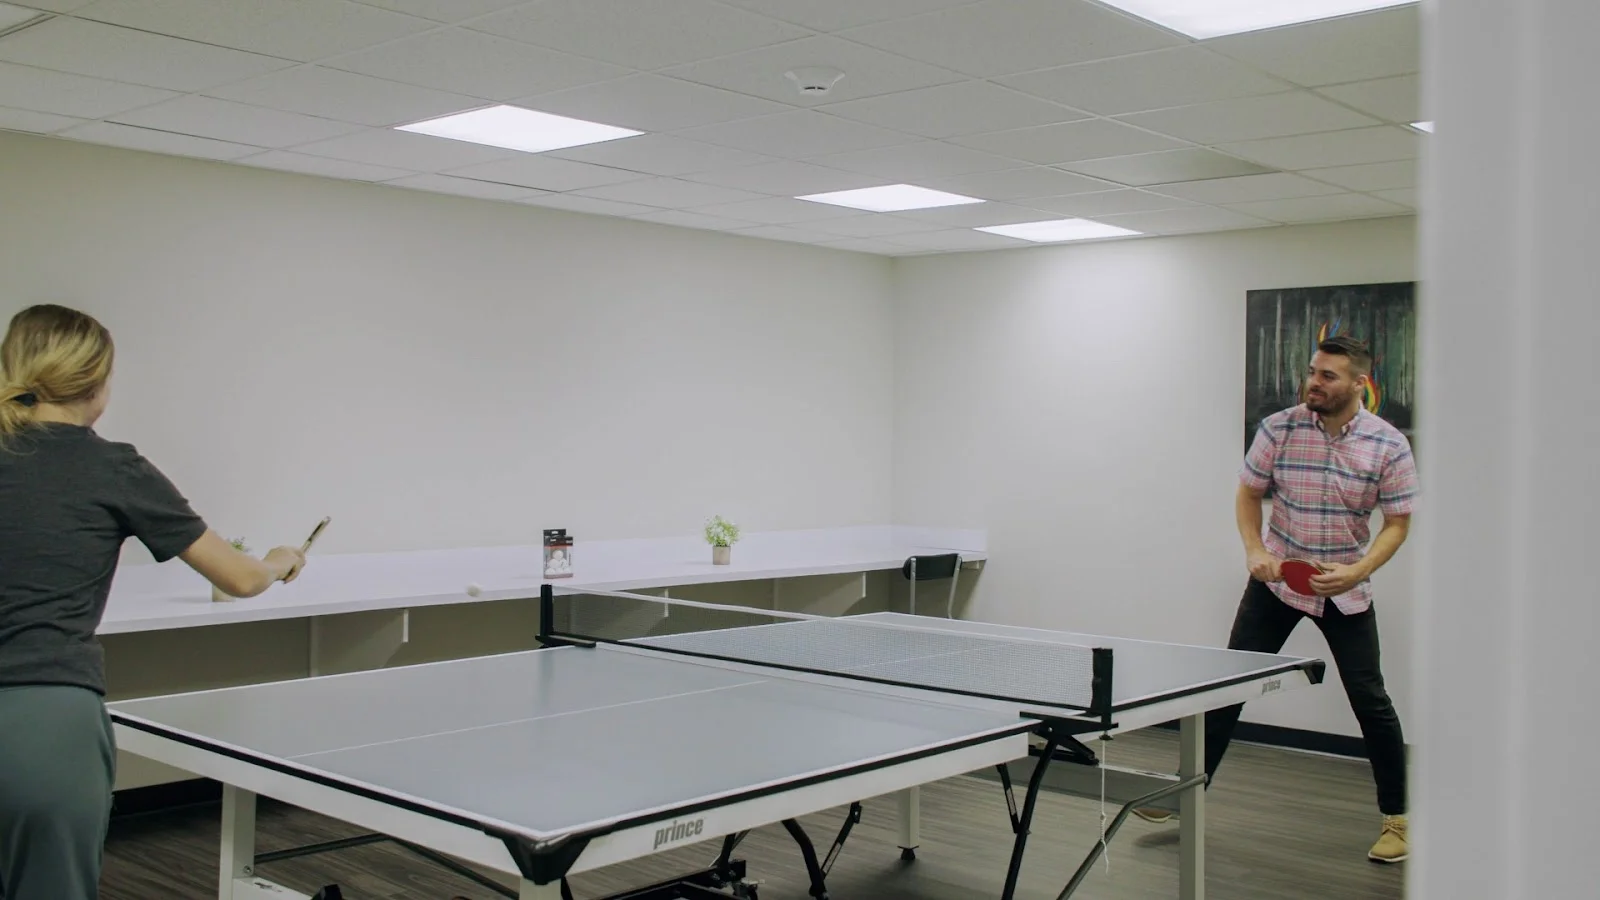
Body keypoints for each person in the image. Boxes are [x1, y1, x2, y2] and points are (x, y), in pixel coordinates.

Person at [0, 303, 309, 900]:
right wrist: (278, 560)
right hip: (45, 720)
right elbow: (241, 579)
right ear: (98, 384)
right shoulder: (113, 467)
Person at [1137, 334, 1418, 864]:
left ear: (1359, 383)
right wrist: (1254, 549)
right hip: (1277, 584)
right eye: (1312, 371)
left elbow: (1397, 523)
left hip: (1344, 588)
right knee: (1228, 687)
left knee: (1370, 700)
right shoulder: (1278, 428)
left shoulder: (1388, 444)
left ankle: (1397, 821)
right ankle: (1183, 793)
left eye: (1328, 375)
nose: (1314, 382)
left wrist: (1358, 570)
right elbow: (1248, 493)